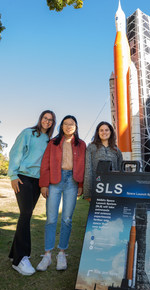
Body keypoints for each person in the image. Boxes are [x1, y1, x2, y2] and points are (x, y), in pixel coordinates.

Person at [8, 110, 56, 276]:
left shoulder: (49, 141)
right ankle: (20, 258)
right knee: (26, 214)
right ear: (40, 119)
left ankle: (13, 253)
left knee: (26, 214)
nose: (47, 121)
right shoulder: (28, 133)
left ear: (52, 123)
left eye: (50, 120)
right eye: (45, 118)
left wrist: (44, 183)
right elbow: (16, 153)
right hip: (23, 178)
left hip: (37, 182)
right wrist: (13, 175)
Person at [37, 115, 86, 271]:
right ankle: (47, 255)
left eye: (72, 124)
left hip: (72, 181)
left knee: (66, 219)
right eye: (66, 124)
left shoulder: (81, 144)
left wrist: (81, 184)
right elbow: (45, 163)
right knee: (51, 219)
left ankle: (62, 253)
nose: (69, 126)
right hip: (54, 182)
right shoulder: (53, 143)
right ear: (61, 126)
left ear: (76, 127)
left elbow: (84, 165)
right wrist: (44, 185)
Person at [83, 121, 123, 200]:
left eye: (106, 130)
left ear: (111, 132)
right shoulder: (91, 148)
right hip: (97, 188)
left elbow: (120, 171)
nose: (104, 132)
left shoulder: (116, 150)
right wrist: (88, 193)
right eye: (101, 130)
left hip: (113, 188)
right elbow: (88, 170)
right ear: (98, 132)